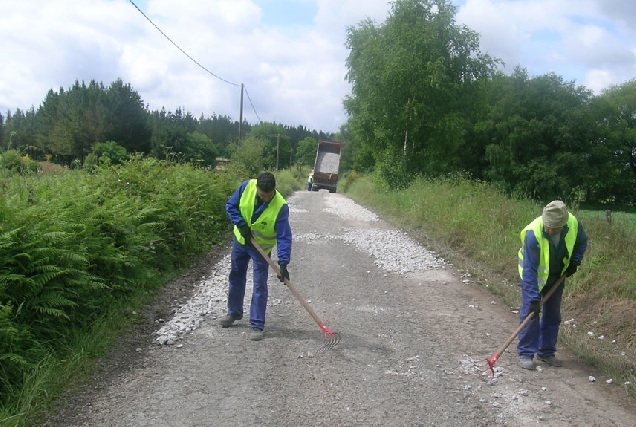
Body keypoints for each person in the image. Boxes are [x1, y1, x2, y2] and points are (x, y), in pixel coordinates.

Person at [220, 172, 292, 341]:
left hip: (261, 250)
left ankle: (257, 324)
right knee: (236, 277)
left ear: (274, 190)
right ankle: (234, 313)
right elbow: (231, 206)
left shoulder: (281, 207)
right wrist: (241, 224)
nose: (266, 198)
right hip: (241, 242)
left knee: (259, 284)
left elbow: (284, 236)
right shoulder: (246, 187)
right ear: (257, 188)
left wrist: (283, 263)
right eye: (262, 195)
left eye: (269, 196)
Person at [517, 200, 588, 369]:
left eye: (553, 227)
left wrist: (575, 262)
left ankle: (546, 352)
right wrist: (534, 298)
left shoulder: (573, 224)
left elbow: (582, 242)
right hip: (534, 278)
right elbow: (529, 270)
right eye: (547, 225)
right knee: (531, 313)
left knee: (553, 315)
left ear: (562, 225)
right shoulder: (533, 234)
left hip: (557, 277)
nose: (549, 229)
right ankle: (526, 354)